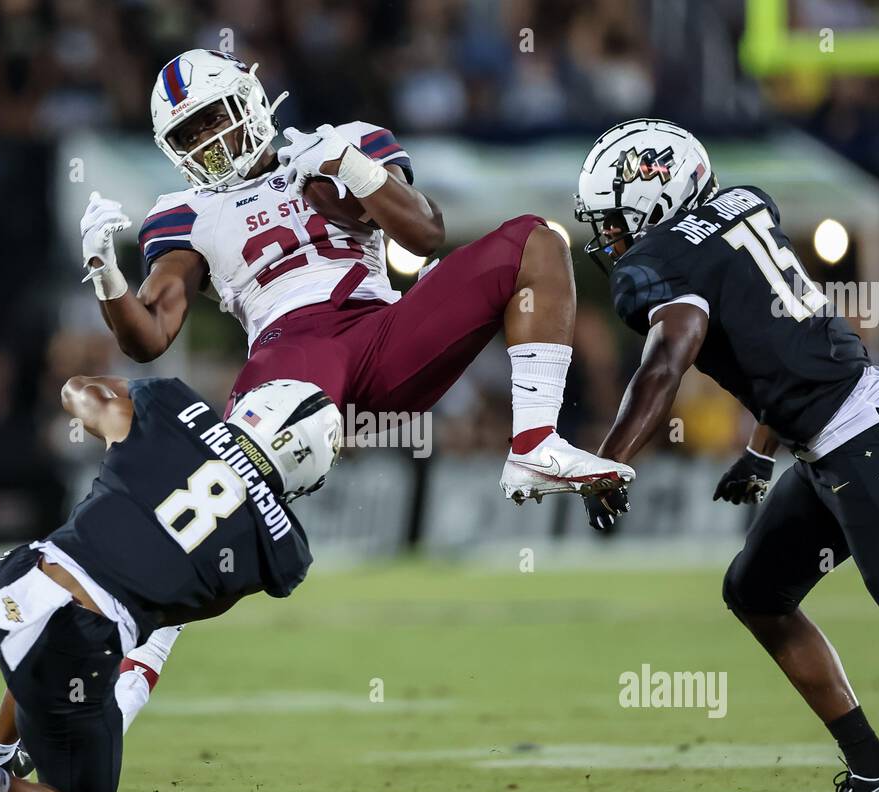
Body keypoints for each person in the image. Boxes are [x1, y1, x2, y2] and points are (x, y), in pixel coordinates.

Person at [575, 117, 879, 792]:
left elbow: (671, 354)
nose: (607, 238)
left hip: (873, 447)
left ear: (652, 198)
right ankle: (875, 770)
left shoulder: (663, 264)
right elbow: (781, 340)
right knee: (756, 592)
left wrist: (609, 462)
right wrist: (760, 452)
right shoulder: (741, 207)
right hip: (842, 445)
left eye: (611, 220)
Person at [80, 48, 635, 507]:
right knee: (230, 507)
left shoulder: (338, 142)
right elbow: (148, 337)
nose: (208, 141)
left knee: (535, 239)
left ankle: (534, 443)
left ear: (247, 99)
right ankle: (138, 625)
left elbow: (424, 233)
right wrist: (106, 270)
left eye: (213, 117)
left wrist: (352, 166)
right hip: (291, 353)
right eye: (189, 133)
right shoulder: (183, 211)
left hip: (384, 336)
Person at [0, 376, 341, 792]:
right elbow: (178, 608)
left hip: (12, 585)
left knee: (49, 657)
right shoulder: (283, 552)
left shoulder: (175, 410)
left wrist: (116, 392)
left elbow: (77, 391)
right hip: (75, 641)